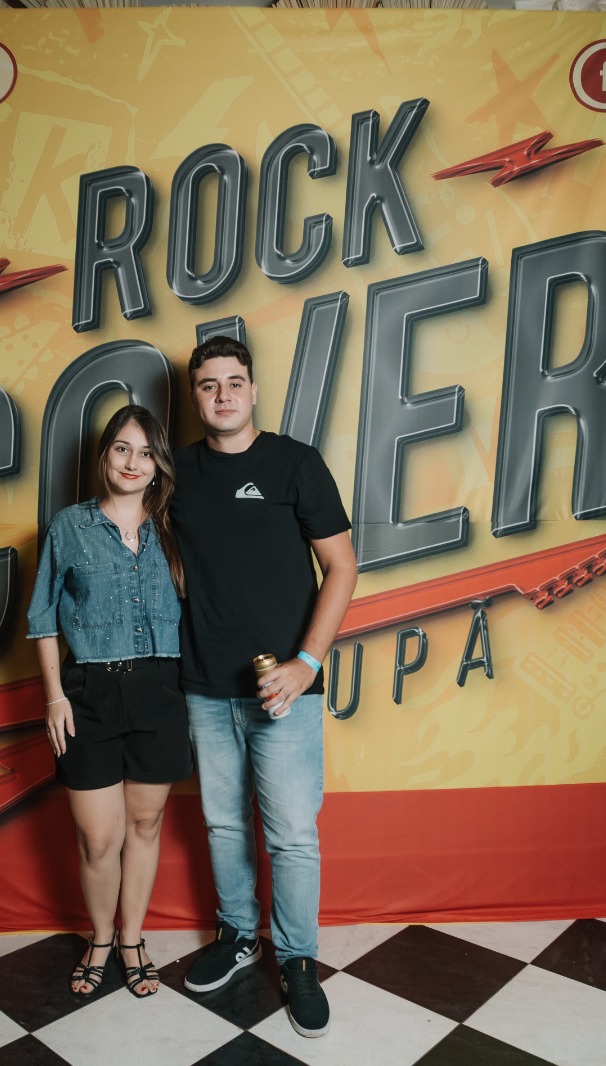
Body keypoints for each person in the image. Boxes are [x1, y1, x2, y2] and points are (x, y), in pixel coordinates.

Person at [172, 336, 357, 1038]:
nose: (223, 395)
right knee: (222, 822)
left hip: (284, 688)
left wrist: (306, 662)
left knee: (291, 836)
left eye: (234, 382)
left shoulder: (295, 463)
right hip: (203, 683)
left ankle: (299, 959)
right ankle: (238, 935)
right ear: (195, 396)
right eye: (208, 384)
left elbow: (343, 566)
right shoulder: (177, 473)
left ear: (253, 390)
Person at [26, 404, 193, 1000]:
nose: (133, 462)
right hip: (89, 693)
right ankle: (100, 938)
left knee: (145, 824)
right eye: (122, 448)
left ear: (159, 464)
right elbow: (42, 616)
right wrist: (54, 697)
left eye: (146, 453)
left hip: (160, 690)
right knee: (99, 838)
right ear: (104, 456)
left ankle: (132, 940)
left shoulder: (174, 526)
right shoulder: (69, 526)